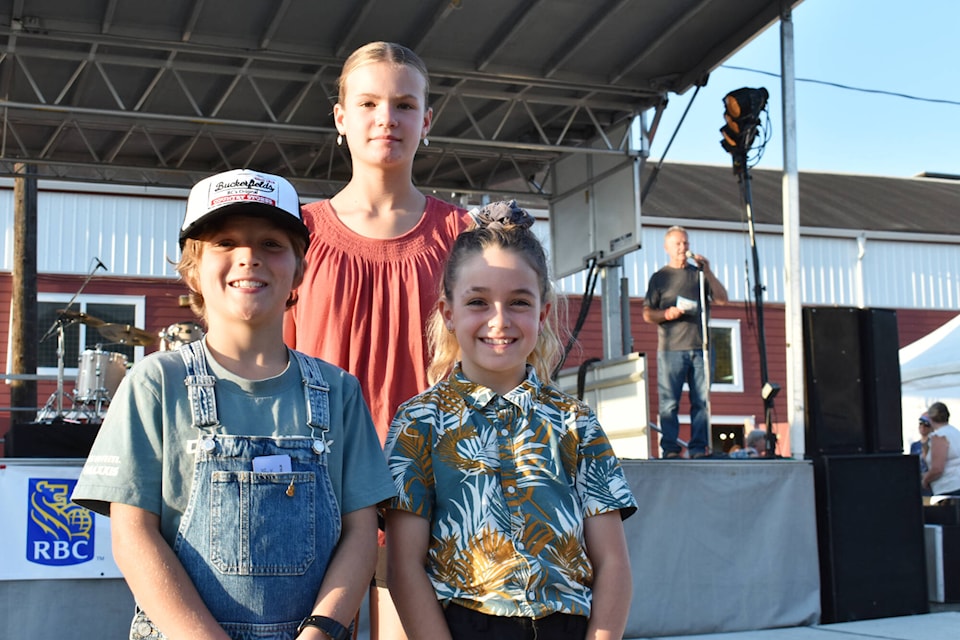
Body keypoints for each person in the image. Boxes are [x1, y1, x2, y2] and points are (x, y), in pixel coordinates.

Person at [72, 168, 395, 640]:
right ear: (192, 269)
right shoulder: (156, 383)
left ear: (299, 268)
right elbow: (132, 536)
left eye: (271, 244)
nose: (249, 258)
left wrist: (322, 629)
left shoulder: (339, 390)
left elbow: (362, 534)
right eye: (225, 242)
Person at [281, 42, 472, 638]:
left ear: (426, 121)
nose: (386, 118)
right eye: (367, 103)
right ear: (340, 118)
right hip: (314, 485)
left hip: (425, 490)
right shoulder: (298, 232)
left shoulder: (462, 234)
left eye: (404, 104)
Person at [384, 201, 638, 640]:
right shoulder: (418, 422)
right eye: (478, 301)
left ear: (541, 315)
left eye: (518, 302)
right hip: (461, 625)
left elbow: (613, 563)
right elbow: (404, 566)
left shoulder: (576, 423)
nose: (498, 321)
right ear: (448, 313)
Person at [643, 225, 728, 459]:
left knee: (701, 402)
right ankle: (670, 449)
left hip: (701, 347)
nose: (683, 247)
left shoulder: (698, 274)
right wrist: (666, 314)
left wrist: (708, 270)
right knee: (669, 402)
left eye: (686, 243)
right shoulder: (660, 277)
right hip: (671, 349)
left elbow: (722, 299)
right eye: (678, 244)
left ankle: (699, 448)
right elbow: (648, 313)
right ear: (667, 247)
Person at [922, 402, 960, 496]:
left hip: (948, 487)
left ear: (930, 419)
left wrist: (925, 480)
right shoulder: (956, 433)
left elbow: (937, 469)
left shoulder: (939, 436)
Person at [911, 413, 933, 497]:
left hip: (930, 482)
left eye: (926, 425)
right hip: (918, 481)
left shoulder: (934, 443)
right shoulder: (915, 445)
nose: (922, 427)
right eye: (921, 423)